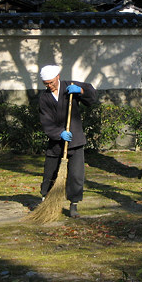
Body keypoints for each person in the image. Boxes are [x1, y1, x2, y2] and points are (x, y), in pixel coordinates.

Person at [38, 64, 98, 218]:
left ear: (58, 77)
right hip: (56, 141)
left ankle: (74, 205)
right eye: (46, 84)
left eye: (51, 82)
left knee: (76, 175)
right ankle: (45, 200)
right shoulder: (44, 98)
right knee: (50, 173)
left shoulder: (70, 86)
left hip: (75, 139)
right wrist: (59, 133)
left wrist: (81, 91)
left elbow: (91, 95)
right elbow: (46, 122)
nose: (50, 86)